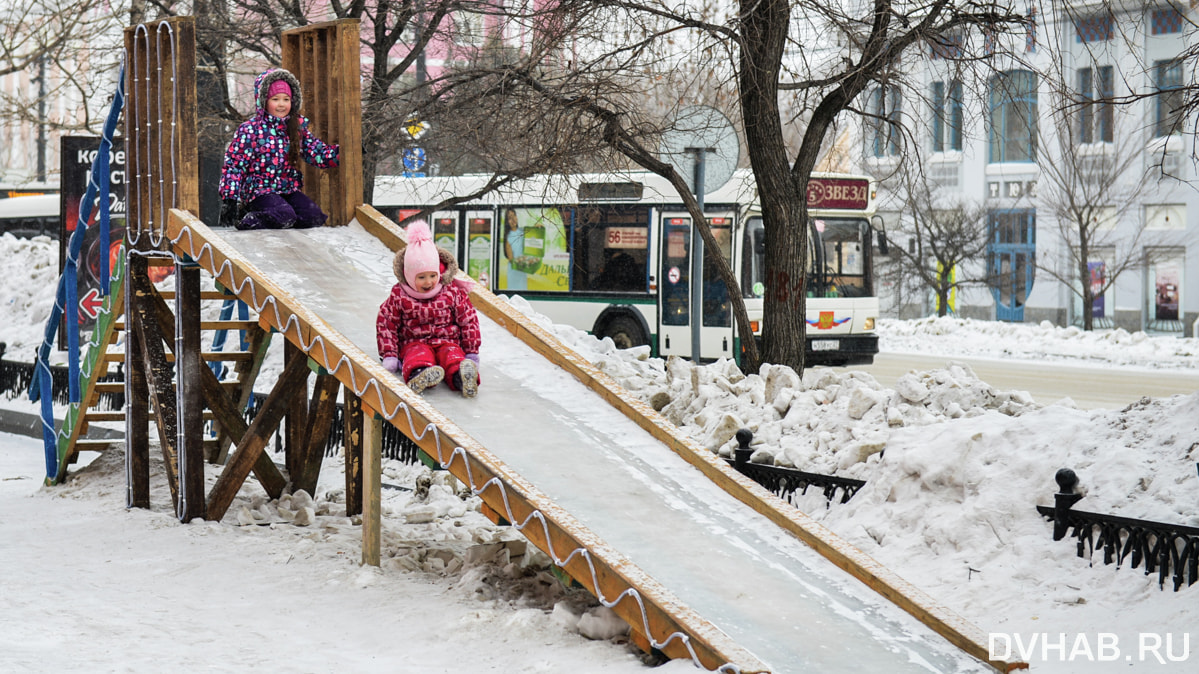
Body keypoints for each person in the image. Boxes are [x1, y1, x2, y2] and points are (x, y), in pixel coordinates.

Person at [218, 68, 340, 230]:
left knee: (313, 216)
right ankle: (249, 217)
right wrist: (230, 198)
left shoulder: (295, 128)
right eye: (275, 99)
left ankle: (279, 218)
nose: (282, 104)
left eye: (286, 99)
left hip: (286, 188)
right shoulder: (250, 130)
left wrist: (342, 153)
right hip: (259, 190)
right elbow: (234, 165)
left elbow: (316, 152)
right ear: (263, 101)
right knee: (284, 215)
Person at [376, 220, 482, 397]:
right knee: (417, 355)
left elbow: (468, 320)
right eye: (422, 277)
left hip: (447, 341)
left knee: (452, 355)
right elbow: (386, 325)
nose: (428, 282)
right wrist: (390, 354)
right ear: (409, 277)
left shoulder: (451, 291)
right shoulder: (400, 295)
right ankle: (420, 374)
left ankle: (462, 377)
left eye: (433, 276)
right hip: (414, 342)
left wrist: (471, 351)